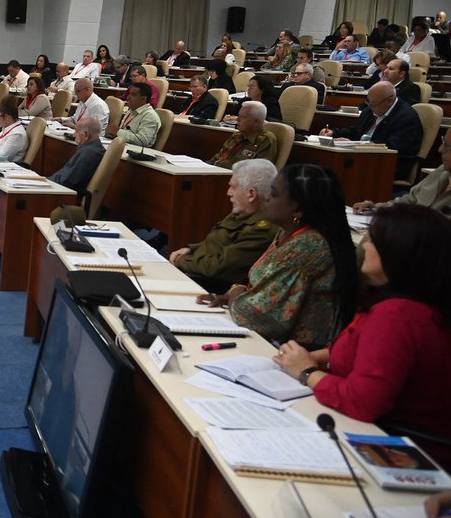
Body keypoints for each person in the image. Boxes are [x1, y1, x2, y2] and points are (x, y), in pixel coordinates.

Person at [273, 204, 451, 468]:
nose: (364, 246)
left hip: (402, 450)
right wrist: (314, 357)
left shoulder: (398, 315)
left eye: (373, 240)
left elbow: (362, 402)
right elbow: (360, 348)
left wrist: (307, 372)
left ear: (399, 253)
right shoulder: (400, 304)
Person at [198, 164, 357, 349]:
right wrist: (233, 295)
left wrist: (235, 292)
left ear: (297, 209)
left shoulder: (306, 246)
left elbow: (256, 319)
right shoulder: (287, 233)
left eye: (273, 194)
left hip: (298, 353)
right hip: (273, 344)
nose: (265, 197)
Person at [169, 159, 279, 293]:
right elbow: (218, 241)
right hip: (195, 270)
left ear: (251, 194)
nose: (228, 192)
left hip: (207, 286)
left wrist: (182, 260)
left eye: (233, 187)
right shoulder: (244, 211)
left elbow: (218, 268)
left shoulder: (262, 230)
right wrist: (190, 249)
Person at [319, 81, 422, 180]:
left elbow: (392, 148)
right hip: (362, 157)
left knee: (336, 168)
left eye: (374, 103)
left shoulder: (406, 117)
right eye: (369, 102)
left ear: (389, 100)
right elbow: (356, 131)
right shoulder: (370, 110)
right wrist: (334, 132)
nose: (370, 106)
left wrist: (356, 145)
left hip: (387, 165)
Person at [353, 138, 451, 215]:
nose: (440, 149)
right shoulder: (443, 171)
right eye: (443, 142)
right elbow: (410, 200)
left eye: (447, 145)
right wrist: (377, 208)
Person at [208, 101, 277, 167]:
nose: (237, 119)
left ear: (256, 122)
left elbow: (258, 172)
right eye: (239, 115)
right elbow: (215, 159)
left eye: (243, 117)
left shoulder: (265, 140)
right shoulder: (237, 136)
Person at [49, 116, 104, 196]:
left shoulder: (88, 153)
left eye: (76, 131)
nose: (74, 135)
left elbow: (67, 180)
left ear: (86, 135)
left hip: (65, 194)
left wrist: (46, 182)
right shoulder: (93, 148)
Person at [114, 83, 159, 147]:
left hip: (136, 151)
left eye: (133, 95)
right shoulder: (131, 110)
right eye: (129, 94)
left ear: (143, 98)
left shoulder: (150, 116)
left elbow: (143, 140)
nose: (128, 98)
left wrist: (118, 132)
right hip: (123, 146)